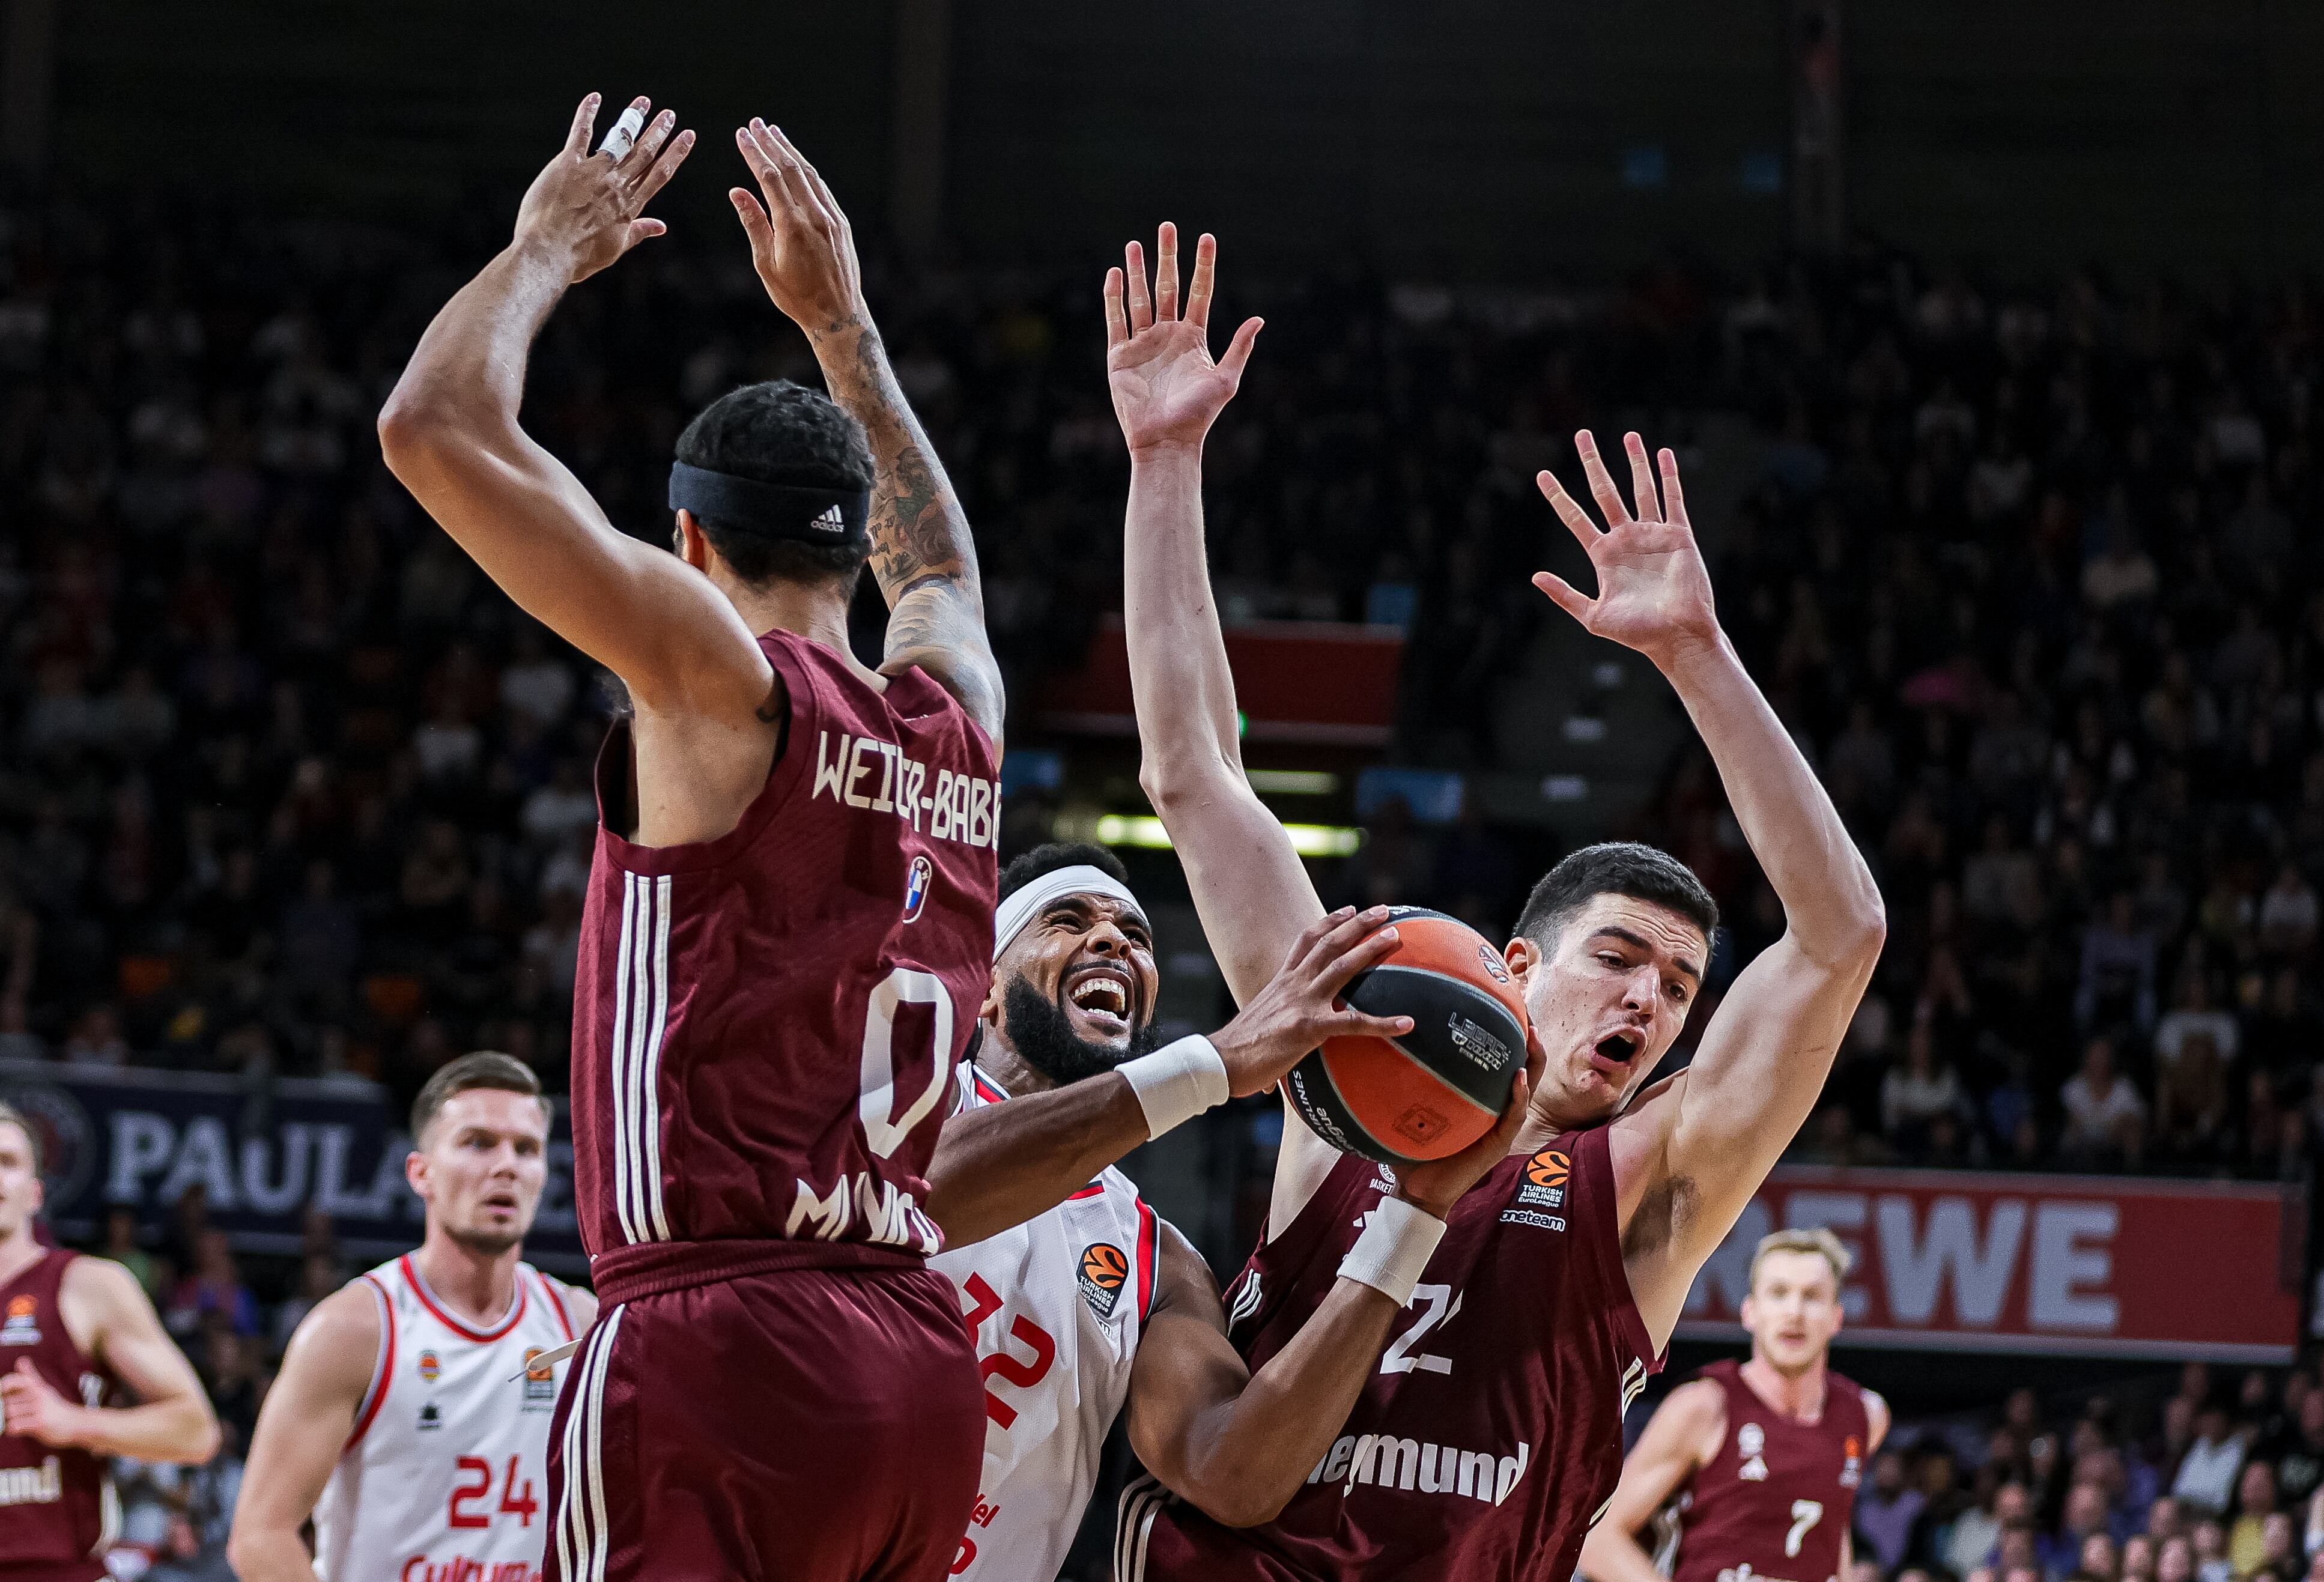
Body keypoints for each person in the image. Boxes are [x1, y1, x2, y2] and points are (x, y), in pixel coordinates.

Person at [1103, 224, 1887, 1581]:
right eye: (1619, 957)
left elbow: (1839, 935)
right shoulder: (1347, 1058)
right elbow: (1192, 773)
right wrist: (1164, 465)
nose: (1647, 995)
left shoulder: (1649, 1179)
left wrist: (1697, 659)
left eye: (1678, 986)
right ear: (1514, 967)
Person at [375, 97, 1015, 1580]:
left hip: (724, 1337)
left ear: (687, 543)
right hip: (921, 1358)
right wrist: (843, 326)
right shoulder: (954, 716)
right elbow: (949, 568)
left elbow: (432, 430)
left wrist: (543, 249)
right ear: (857, 549)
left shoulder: (713, 675)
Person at [930, 842, 1531, 1578]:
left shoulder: (1158, 1259)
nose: (1114, 940)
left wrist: (1413, 1216)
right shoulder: (905, 1107)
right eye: (1067, 919)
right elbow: (921, 1196)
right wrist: (1215, 1062)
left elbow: (1231, 1474)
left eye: (1137, 935)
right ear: (986, 987)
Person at [227, 1054, 593, 1582]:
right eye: (478, 1143)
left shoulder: (581, 1326)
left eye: (527, 1148)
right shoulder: (353, 1330)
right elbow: (261, 1536)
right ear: (421, 1173)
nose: (507, 1165)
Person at [1578, 1229, 1891, 1582]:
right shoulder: (1706, 1405)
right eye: (1779, 1293)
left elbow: (1834, 1532)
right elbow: (1599, 1537)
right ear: (1750, 1313)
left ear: (1836, 1318)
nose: (1795, 1311)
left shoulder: (1866, 1415)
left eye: (1812, 1296)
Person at [0, 1101, 220, 1582]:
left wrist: (74, 1421)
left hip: (59, 1570)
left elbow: (197, 1431)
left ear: (35, 1192)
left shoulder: (87, 1285)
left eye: (8, 1161)